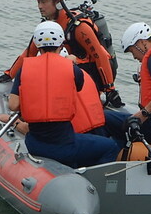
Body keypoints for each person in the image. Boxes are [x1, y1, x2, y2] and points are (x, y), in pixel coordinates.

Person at [0, 0, 123, 108]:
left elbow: (100, 56)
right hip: (72, 69)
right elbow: (30, 52)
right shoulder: (48, 26)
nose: (40, 6)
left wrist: (110, 89)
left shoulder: (79, 27)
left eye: (44, 2)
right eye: (38, 2)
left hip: (92, 71)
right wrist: (9, 75)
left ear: (58, 4)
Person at [6, 21, 120, 168]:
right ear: (62, 44)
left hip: (34, 144)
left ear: (36, 44)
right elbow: (77, 87)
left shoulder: (24, 69)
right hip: (63, 145)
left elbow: (13, 105)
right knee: (110, 146)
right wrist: (70, 64)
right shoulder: (72, 69)